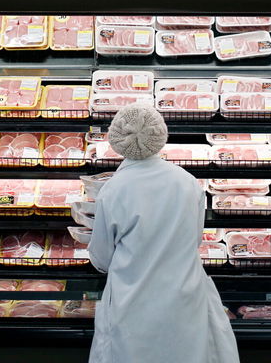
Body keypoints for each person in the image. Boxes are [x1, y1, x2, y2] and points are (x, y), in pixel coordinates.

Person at [87, 104, 240, 363]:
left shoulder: (113, 191)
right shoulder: (187, 182)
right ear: (160, 136)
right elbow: (195, 237)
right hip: (184, 295)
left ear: (118, 141)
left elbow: (102, 258)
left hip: (133, 300)